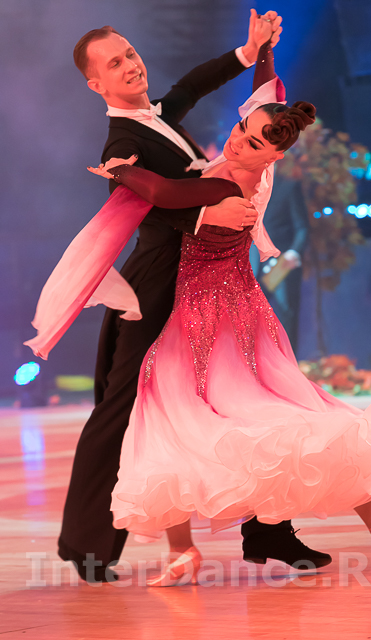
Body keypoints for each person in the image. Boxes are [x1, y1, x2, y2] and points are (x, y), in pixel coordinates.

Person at [85, 41, 371, 586]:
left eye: (254, 142)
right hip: (237, 312)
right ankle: (370, 509)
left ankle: (189, 548)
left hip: (210, 320)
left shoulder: (224, 184)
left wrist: (120, 171)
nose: (238, 140)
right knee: (248, 415)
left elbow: (162, 191)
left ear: (273, 156)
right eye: (241, 130)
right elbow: (265, 100)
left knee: (192, 417)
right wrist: (261, 53)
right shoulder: (252, 164)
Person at [50, 11, 328, 584]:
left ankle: (269, 529)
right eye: (115, 64)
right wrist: (205, 214)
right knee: (122, 404)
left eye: (130, 53)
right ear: (96, 84)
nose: (131, 66)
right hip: (159, 281)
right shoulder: (122, 139)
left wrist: (249, 51)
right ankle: (88, 545)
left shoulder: (154, 116)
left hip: (205, 277)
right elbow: (149, 202)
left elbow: (189, 86)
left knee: (240, 394)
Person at [257, 176, 309, 352]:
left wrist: (293, 252)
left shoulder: (288, 187)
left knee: (286, 314)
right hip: (252, 265)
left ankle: (287, 363)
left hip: (281, 264)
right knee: (248, 318)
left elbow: (302, 228)